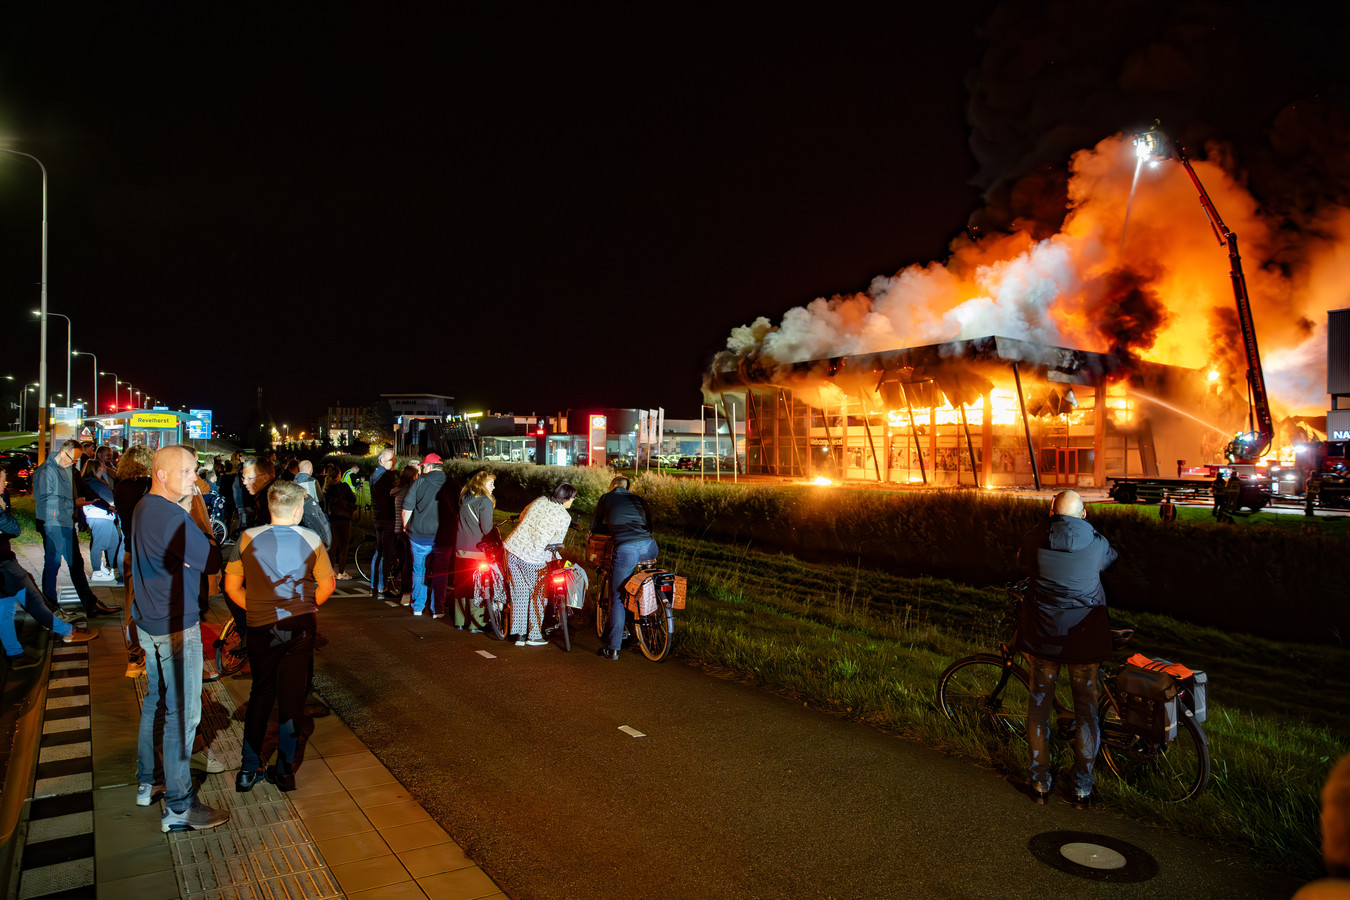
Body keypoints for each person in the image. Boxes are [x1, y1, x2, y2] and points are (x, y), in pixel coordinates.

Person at [130, 445, 227, 832]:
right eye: (187, 472)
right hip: (175, 624)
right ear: (162, 475)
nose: (195, 479)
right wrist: (194, 516)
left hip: (148, 622)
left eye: (195, 471)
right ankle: (180, 807)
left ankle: (148, 780)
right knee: (182, 716)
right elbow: (212, 561)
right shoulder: (174, 516)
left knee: (156, 701)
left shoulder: (143, 507)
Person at [224, 480, 335, 793]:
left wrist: (259, 609)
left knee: (261, 693)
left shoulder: (247, 538)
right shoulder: (312, 540)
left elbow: (231, 587)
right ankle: (285, 772)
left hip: (261, 626)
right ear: (299, 510)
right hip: (300, 626)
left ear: (270, 508)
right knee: (291, 699)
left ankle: (248, 769)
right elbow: (326, 587)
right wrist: (301, 607)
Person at [1015, 489, 1117, 807]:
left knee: (1038, 712)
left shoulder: (1036, 539)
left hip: (1044, 640)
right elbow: (1110, 560)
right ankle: (1082, 786)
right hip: (1084, 643)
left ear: (1051, 513)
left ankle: (1040, 781)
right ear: (1083, 514)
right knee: (1087, 714)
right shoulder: (1096, 542)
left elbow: (1022, 559)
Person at [0, 467, 96, 664]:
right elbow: (14, 529)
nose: (4, 485)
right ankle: (67, 632)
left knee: (5, 608)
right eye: (2, 480)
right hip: (5, 564)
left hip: (4, 563)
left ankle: (14, 654)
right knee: (33, 599)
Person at [34, 439, 119, 618]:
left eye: (76, 460)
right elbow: (46, 501)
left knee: (75, 564)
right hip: (52, 524)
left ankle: (89, 603)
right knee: (54, 563)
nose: (74, 462)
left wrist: (106, 506)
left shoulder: (70, 469)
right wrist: (74, 502)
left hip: (65, 522)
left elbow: (85, 490)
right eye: (72, 458)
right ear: (63, 451)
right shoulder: (47, 471)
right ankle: (51, 606)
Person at [590, 475, 657, 660]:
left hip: (626, 549)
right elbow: (649, 526)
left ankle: (613, 648)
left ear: (612, 486)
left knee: (618, 597)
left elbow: (595, 526)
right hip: (650, 547)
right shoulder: (638, 499)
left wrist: (613, 530)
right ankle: (642, 615)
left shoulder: (606, 498)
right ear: (627, 487)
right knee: (639, 582)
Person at [502, 482, 575, 646]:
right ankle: (534, 635)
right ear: (567, 498)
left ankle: (519, 635)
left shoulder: (539, 500)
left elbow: (522, 516)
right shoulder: (564, 517)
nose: (572, 502)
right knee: (538, 595)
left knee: (519, 592)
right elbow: (557, 541)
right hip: (534, 558)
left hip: (513, 549)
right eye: (572, 499)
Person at [115, 445, 155, 677]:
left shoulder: (121, 487)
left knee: (132, 603)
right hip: (151, 552)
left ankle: (133, 656)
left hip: (130, 550)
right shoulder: (150, 487)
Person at [401, 454, 448, 616]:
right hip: (443, 536)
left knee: (419, 570)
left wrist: (406, 528)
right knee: (440, 571)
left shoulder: (419, 483)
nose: (421, 469)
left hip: (419, 535)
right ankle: (438, 608)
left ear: (429, 466)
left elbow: (407, 509)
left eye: (423, 467)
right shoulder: (451, 484)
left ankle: (418, 606)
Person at [453, 470, 495, 631]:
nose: (493, 487)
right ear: (482, 485)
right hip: (477, 550)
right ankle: (477, 622)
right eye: (491, 483)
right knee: (477, 586)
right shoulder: (484, 502)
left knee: (462, 585)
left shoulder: (465, 498)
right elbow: (486, 529)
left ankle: (460, 620)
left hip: (460, 549)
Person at [82, 446, 122, 584]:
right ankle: (97, 572)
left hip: (106, 516)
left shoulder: (94, 482)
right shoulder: (94, 483)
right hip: (100, 516)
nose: (103, 468)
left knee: (113, 542)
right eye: (101, 467)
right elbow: (102, 498)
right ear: (97, 468)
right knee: (100, 544)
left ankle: (108, 569)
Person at [369, 447, 398, 601]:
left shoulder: (374, 475)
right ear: (382, 460)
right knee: (387, 553)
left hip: (378, 517)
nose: (393, 462)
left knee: (379, 552)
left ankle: (373, 586)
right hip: (388, 518)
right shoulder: (386, 477)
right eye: (391, 460)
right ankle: (382, 586)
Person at [323, 463, 356, 579]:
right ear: (338, 475)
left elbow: (325, 505)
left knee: (332, 547)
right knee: (343, 546)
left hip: (332, 519)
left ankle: (330, 571)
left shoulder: (327, 489)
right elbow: (353, 499)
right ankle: (341, 572)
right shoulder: (344, 487)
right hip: (345, 518)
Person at [391, 464, 418, 606]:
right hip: (405, 530)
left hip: (397, 530)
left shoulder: (397, 491)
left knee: (403, 562)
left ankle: (403, 590)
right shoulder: (408, 492)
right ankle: (407, 592)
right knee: (409, 562)